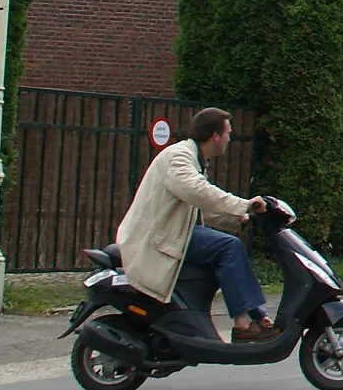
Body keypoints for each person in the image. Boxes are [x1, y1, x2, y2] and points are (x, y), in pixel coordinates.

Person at [115, 107, 275, 342]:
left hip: (172, 233)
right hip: (157, 238)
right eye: (228, 133)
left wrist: (239, 220)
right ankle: (243, 323)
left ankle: (256, 315)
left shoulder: (194, 159)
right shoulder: (178, 157)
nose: (230, 138)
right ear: (215, 136)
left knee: (227, 246)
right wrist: (244, 204)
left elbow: (199, 210)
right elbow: (199, 193)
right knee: (228, 247)